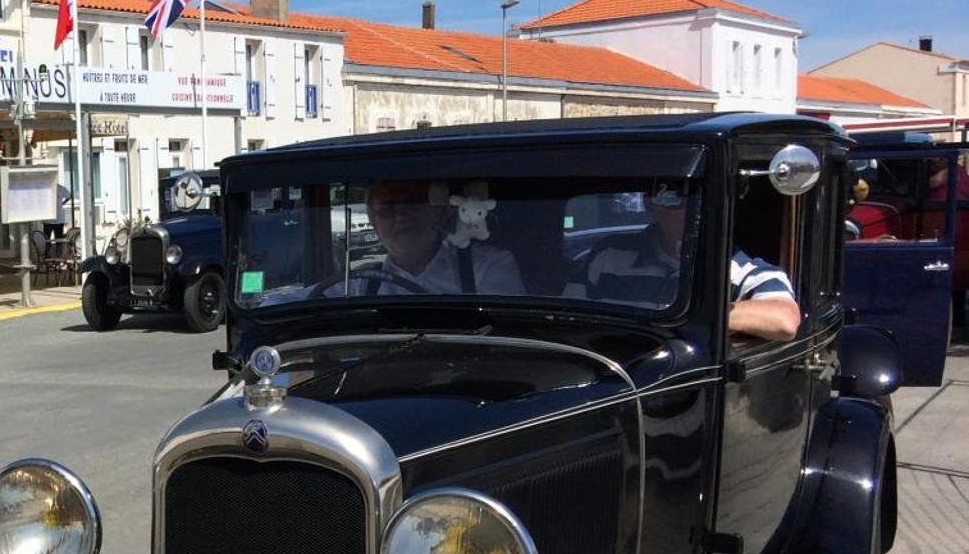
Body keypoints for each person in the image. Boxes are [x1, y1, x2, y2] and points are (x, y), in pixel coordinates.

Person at [578, 184, 801, 341]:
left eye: (695, 202)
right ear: (651, 206)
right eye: (672, 200)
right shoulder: (608, 254)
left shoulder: (740, 270)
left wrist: (694, 315)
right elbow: (572, 315)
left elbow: (785, 321)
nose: (686, 212)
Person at [323, 179, 524, 296]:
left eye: (412, 203)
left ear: (440, 211)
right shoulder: (360, 284)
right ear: (373, 223)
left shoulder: (486, 267)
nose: (401, 215)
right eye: (386, 209)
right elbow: (301, 302)